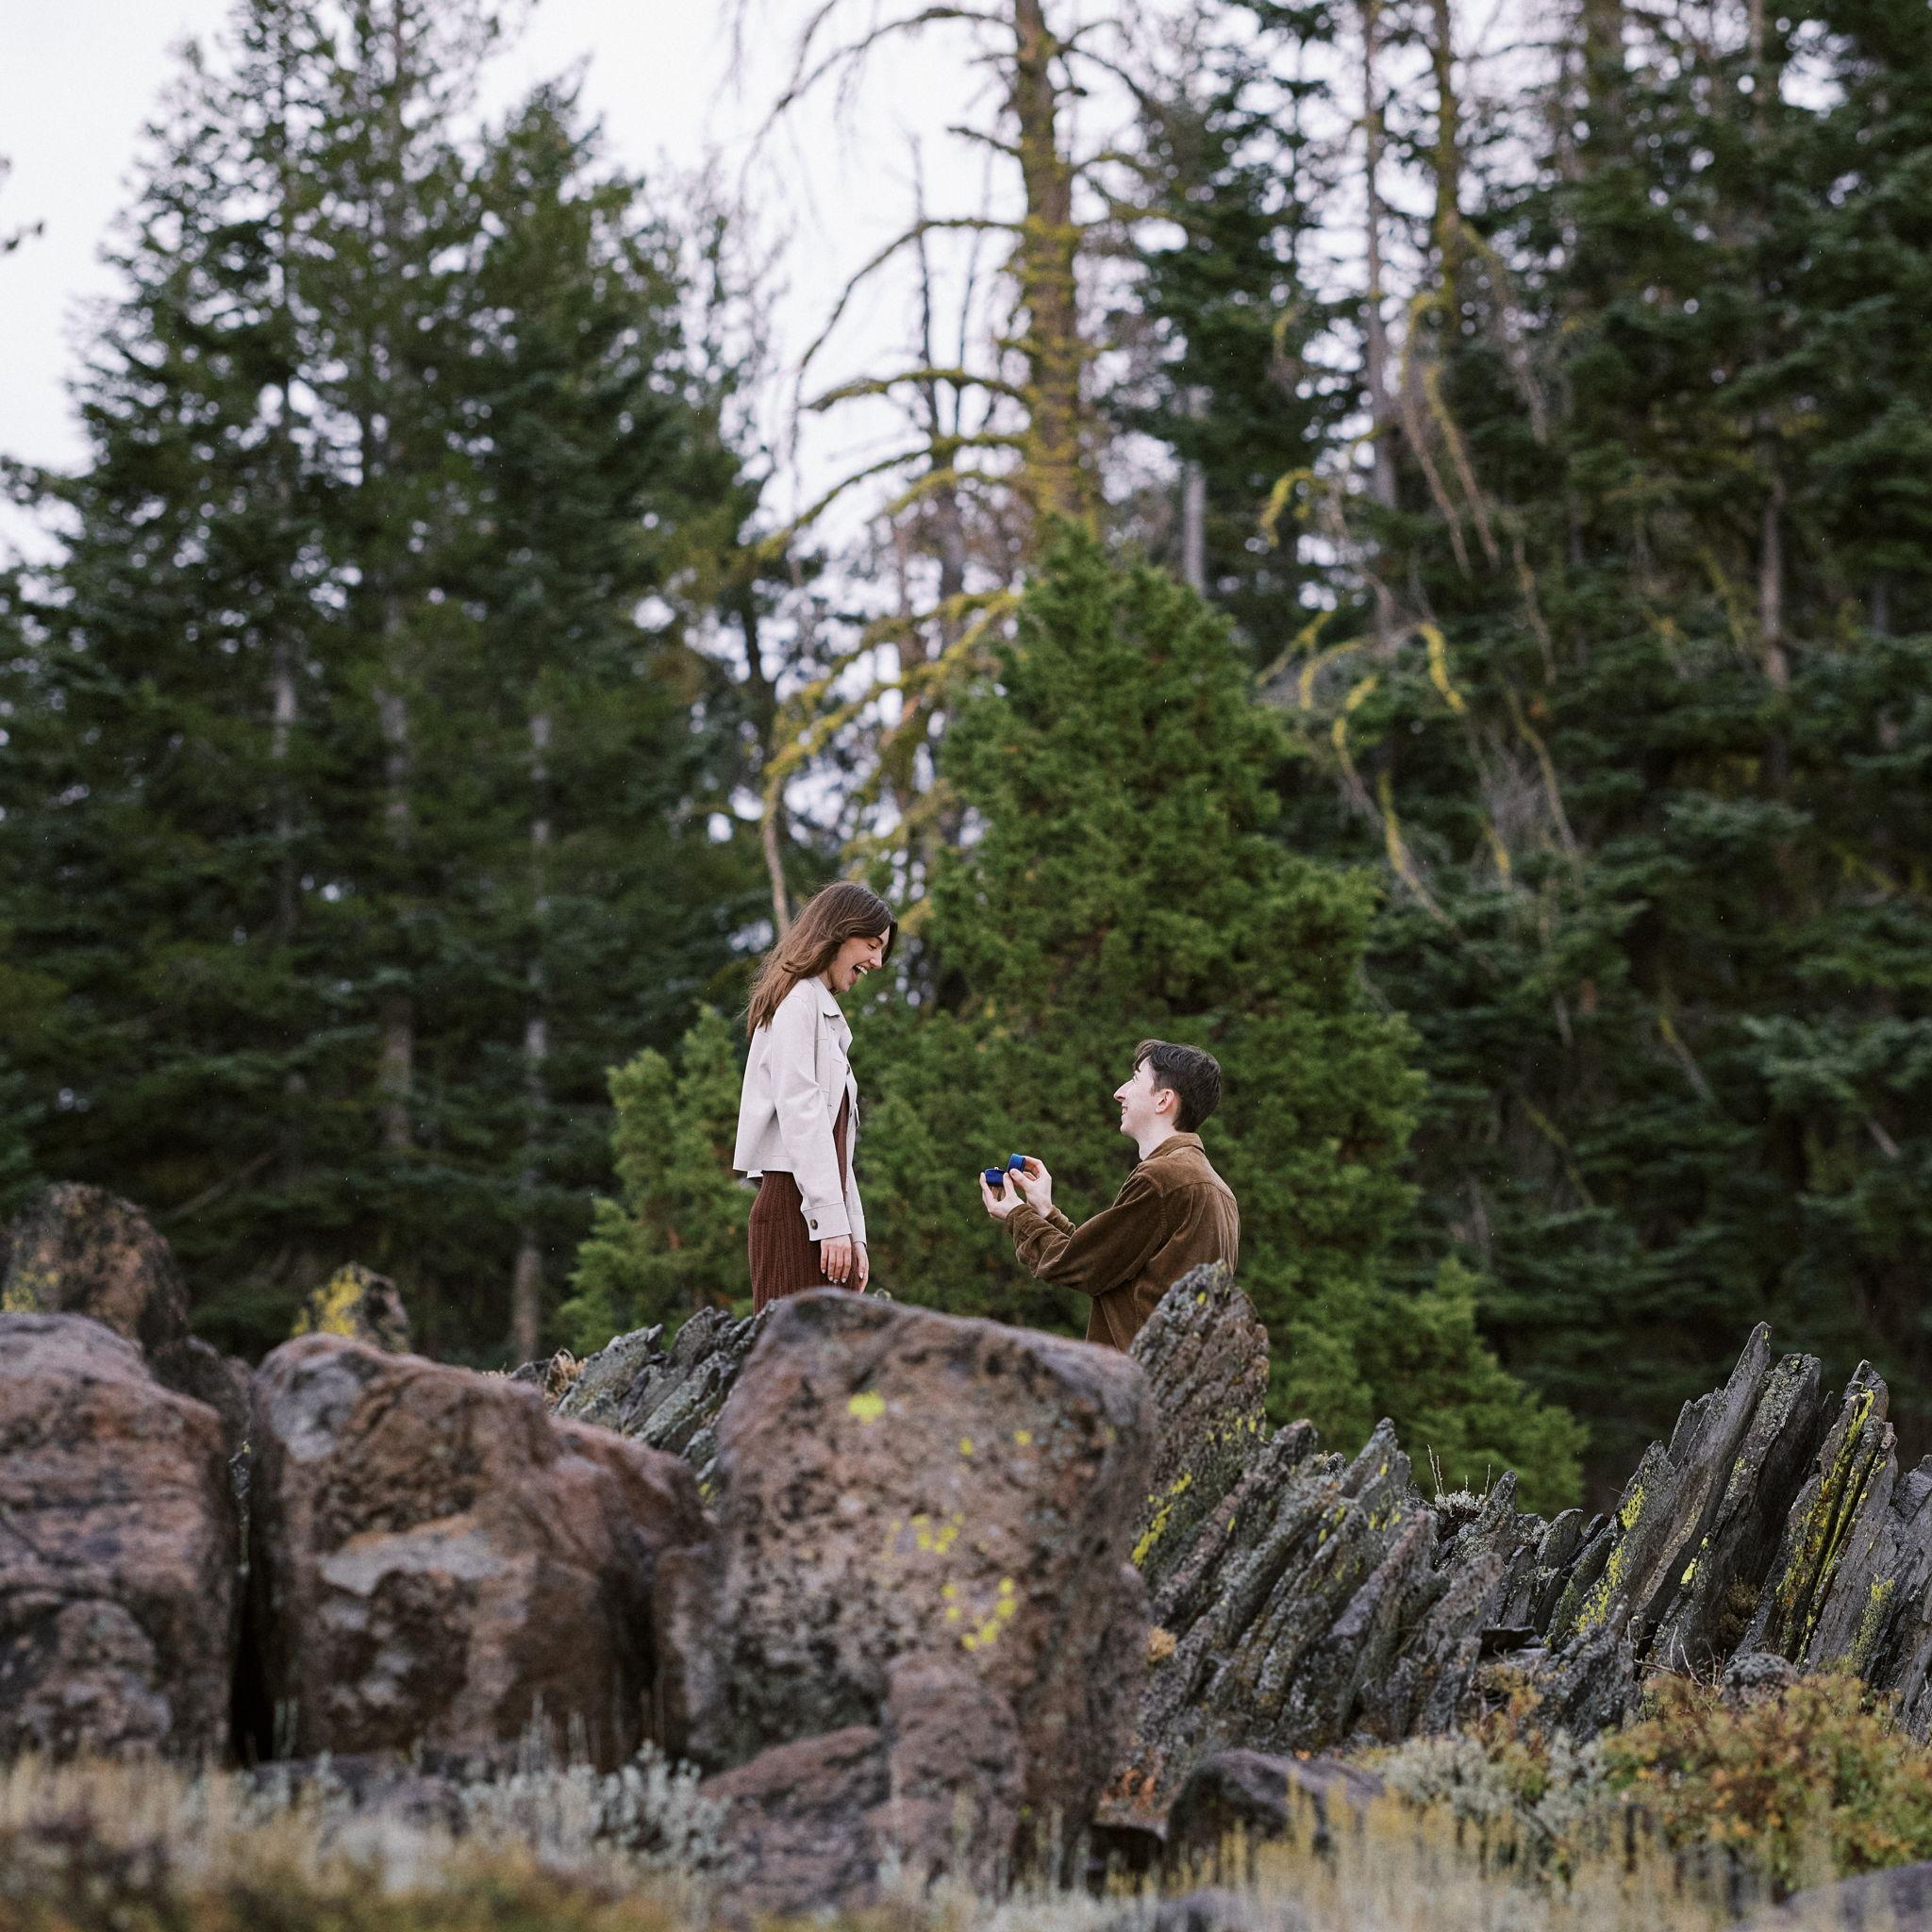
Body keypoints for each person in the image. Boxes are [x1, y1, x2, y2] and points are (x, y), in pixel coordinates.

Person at [980, 1040, 1239, 1350]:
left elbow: (1084, 1268)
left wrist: (1016, 1215)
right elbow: (1109, 1265)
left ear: (1163, 1100)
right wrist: (1047, 1213)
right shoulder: (1216, 1189)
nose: (1120, 1092)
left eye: (1135, 1079)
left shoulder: (1162, 1180)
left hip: (1142, 1387)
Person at [733, 882, 896, 1311]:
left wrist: (852, 1233)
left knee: (826, 1367)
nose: (877, 961)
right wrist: (831, 1225)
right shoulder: (798, 1004)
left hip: (814, 1217)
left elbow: (835, 1145)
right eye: (872, 944)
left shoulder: (821, 1013)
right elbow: (803, 1118)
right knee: (789, 1366)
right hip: (794, 1214)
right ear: (839, 933)